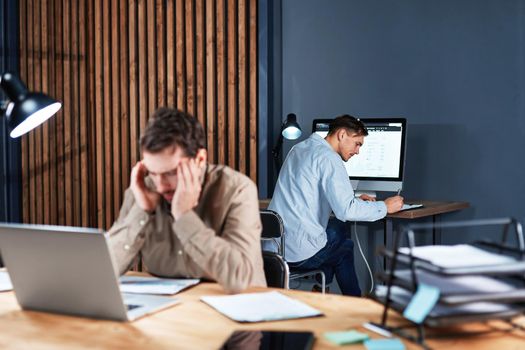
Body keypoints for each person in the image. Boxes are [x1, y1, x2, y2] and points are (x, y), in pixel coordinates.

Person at [107, 107, 266, 293]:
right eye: (153, 172)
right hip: (170, 312)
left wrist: (184, 216)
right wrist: (142, 211)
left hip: (237, 312)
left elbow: (239, 279)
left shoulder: (237, 189)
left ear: (199, 159)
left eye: (171, 173)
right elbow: (105, 270)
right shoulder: (144, 189)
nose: (160, 186)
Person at [268, 115, 403, 296]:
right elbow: (346, 210)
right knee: (345, 246)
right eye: (357, 144)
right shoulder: (329, 158)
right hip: (298, 255)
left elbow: (309, 189)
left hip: (275, 250)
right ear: (341, 135)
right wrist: (385, 207)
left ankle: (323, 286)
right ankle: (354, 301)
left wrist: (352, 197)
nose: (358, 151)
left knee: (337, 232)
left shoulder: (298, 149)